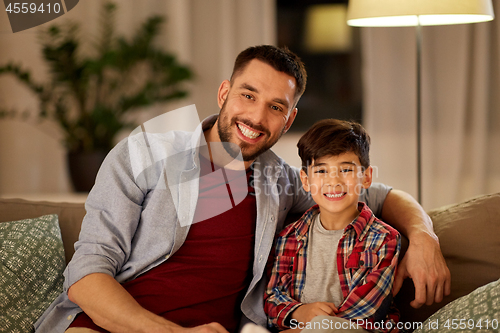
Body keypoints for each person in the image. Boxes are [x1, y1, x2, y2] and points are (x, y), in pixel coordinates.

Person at [35, 45, 450, 333]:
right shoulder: (145, 151)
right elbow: (87, 275)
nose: (255, 116)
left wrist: (423, 235)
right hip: (109, 323)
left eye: (275, 107)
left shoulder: (281, 181)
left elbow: (376, 194)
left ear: (288, 121)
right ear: (224, 92)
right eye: (247, 95)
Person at [265, 119, 400, 333]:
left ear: (366, 177)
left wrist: (307, 330)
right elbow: (273, 298)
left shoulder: (383, 238)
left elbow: (366, 311)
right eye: (321, 171)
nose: (333, 181)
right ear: (306, 180)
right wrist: (299, 312)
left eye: (345, 169)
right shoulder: (289, 237)